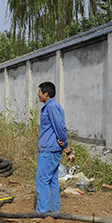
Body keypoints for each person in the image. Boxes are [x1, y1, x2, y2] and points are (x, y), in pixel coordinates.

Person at [36, 81, 72, 213]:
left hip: (49, 150)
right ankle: (54, 211)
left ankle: (42, 212)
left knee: (42, 181)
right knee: (52, 181)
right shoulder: (50, 106)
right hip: (50, 149)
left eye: (40, 92)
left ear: (46, 94)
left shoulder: (52, 107)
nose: (38, 94)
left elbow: (60, 127)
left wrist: (64, 142)